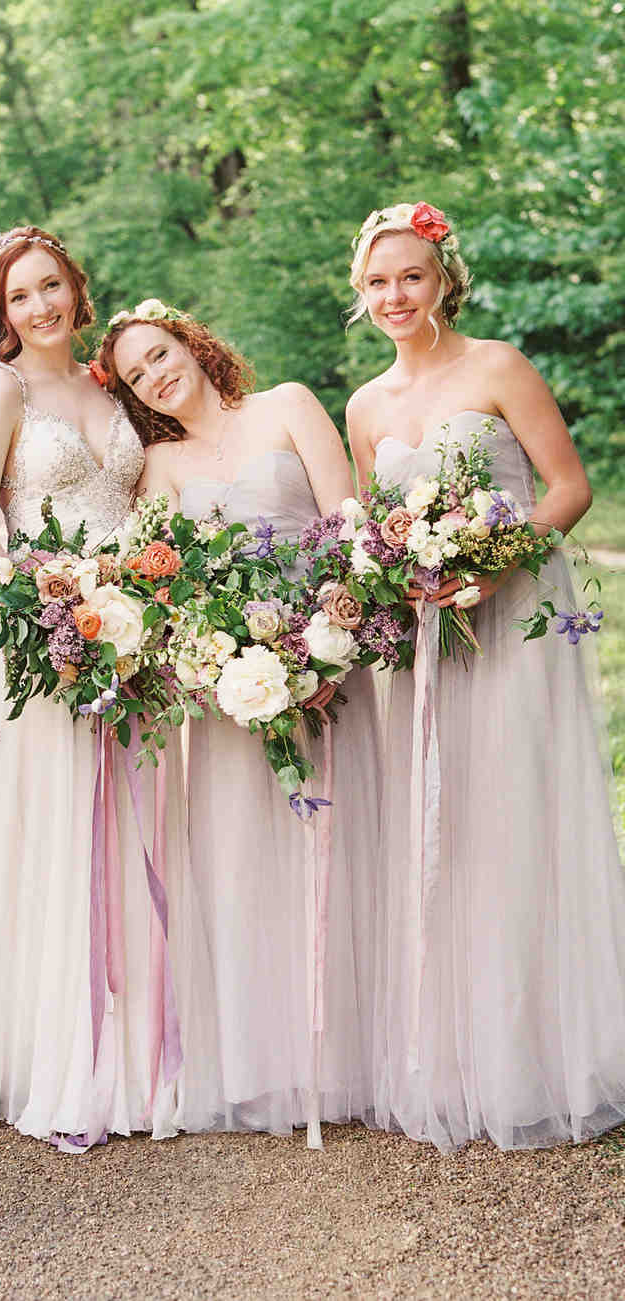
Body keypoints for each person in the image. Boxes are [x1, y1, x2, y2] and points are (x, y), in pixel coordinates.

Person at [0, 230, 215, 1149]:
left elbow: (158, 494)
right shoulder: (0, 391)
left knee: (139, 827)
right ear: (0, 314)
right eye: (20, 297)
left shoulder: (106, 386)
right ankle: (62, 1051)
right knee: (59, 829)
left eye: (52, 286)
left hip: (136, 637)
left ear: (76, 289)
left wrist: (151, 597)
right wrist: (46, 605)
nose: (41, 306)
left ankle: (143, 1049)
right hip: (47, 638)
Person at [346, 200, 625, 1151]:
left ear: (443, 279)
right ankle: (462, 1054)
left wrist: (500, 558)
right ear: (360, 292)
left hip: (514, 621)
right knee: (446, 823)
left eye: (410, 276)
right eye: (378, 281)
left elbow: (569, 487)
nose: (395, 295)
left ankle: (548, 1051)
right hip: (431, 639)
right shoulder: (366, 406)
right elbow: (372, 531)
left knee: (518, 810)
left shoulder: (498, 365)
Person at [98, 304, 380, 1142]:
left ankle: (345, 1057)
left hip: (327, 662)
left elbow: (349, 522)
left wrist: (329, 646)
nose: (156, 374)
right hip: (228, 691)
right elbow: (154, 576)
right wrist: (211, 656)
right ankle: (258, 1063)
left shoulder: (288, 405)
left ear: (191, 342)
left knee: (336, 853)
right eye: (138, 373)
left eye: (160, 353)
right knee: (240, 860)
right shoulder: (160, 462)